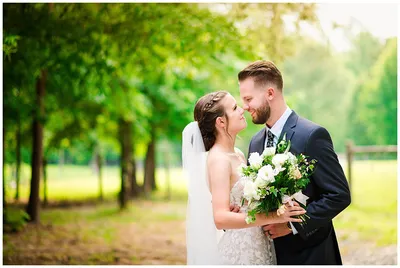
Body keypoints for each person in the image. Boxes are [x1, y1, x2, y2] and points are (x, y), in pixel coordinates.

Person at [238, 60, 351, 265]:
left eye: (248, 99)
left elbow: (339, 195)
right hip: (269, 254)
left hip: (311, 254)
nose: (244, 107)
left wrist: (291, 226)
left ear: (270, 93)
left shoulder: (311, 136)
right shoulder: (255, 143)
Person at [182, 90, 306, 265]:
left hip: (258, 241)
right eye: (234, 108)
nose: (242, 110)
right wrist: (274, 216)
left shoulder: (238, 154)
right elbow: (221, 218)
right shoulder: (219, 160)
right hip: (241, 251)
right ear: (221, 121)